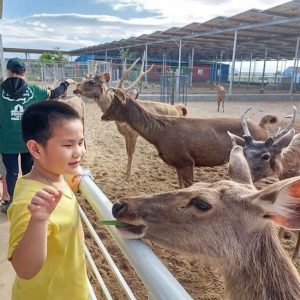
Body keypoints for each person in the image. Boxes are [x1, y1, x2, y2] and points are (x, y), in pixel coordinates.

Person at [7, 100, 88, 299]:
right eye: (68, 145)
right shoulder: (31, 203)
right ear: (35, 149)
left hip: (73, 289)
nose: (78, 151)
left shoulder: (56, 175)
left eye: (80, 142)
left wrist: (77, 175)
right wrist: (39, 220)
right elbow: (24, 269)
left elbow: (67, 180)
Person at [0, 57, 73, 213]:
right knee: (28, 171)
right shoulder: (35, 90)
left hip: (6, 142)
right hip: (29, 141)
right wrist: (65, 83)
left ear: (8, 72)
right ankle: (29, 201)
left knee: (11, 172)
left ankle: (13, 203)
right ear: (24, 72)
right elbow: (54, 94)